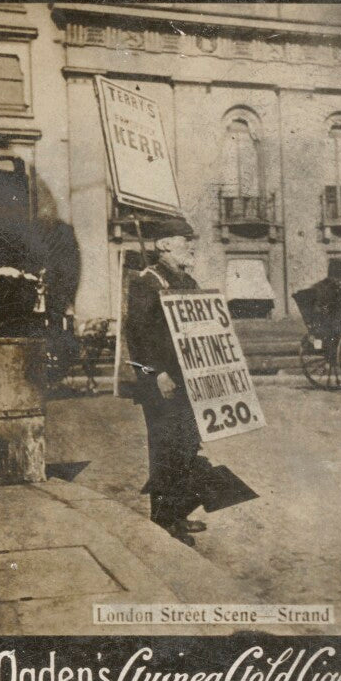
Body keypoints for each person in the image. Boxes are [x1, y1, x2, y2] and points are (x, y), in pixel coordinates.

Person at [125, 217, 208, 547]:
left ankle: (178, 512)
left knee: (187, 446)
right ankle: (163, 520)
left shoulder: (188, 282)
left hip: (189, 382)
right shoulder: (147, 282)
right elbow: (137, 336)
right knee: (165, 450)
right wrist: (156, 374)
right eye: (184, 239)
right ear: (163, 245)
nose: (191, 245)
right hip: (162, 384)